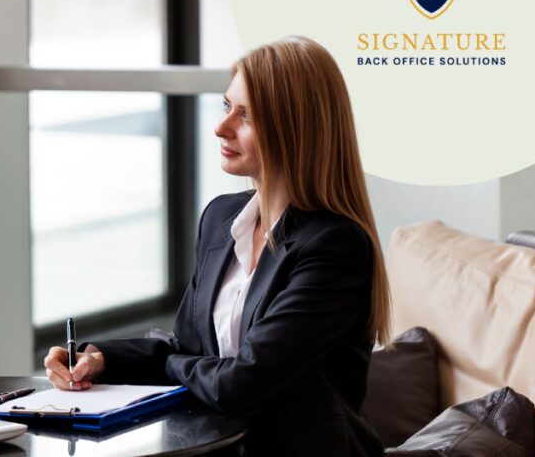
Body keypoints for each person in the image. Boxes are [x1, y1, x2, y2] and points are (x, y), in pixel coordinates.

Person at [43, 37, 391, 456]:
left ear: (296, 129)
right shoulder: (221, 219)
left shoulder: (335, 247)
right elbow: (190, 348)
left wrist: (168, 367)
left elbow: (241, 382)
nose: (221, 127)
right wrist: (100, 358)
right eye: (228, 107)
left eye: (246, 116)